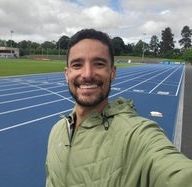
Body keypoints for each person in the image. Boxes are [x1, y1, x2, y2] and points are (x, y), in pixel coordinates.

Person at [45, 28, 192, 187]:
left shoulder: (136, 135)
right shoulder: (57, 131)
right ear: (67, 74)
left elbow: (178, 174)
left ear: (112, 73)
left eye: (99, 64)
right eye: (77, 64)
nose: (87, 74)